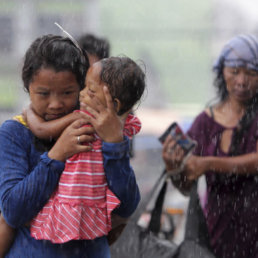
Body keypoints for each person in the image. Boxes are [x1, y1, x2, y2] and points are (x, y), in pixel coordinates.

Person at [0, 34, 140, 258]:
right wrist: (56, 156)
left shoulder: (101, 128)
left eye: (67, 93)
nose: (55, 103)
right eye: (43, 94)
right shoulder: (16, 132)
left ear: (83, 87)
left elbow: (127, 206)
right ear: (28, 88)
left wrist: (115, 145)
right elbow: (13, 211)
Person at [26, 56, 145, 243]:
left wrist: (29, 113)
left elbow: (42, 130)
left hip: (72, 204)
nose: (81, 94)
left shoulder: (84, 119)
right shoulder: (125, 128)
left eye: (89, 90)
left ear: (114, 104)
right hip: (93, 217)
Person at [162, 34, 258, 258]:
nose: (242, 81)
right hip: (215, 235)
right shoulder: (203, 123)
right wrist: (173, 166)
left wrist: (208, 163)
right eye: (234, 72)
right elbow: (186, 186)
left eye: (252, 74)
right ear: (222, 72)